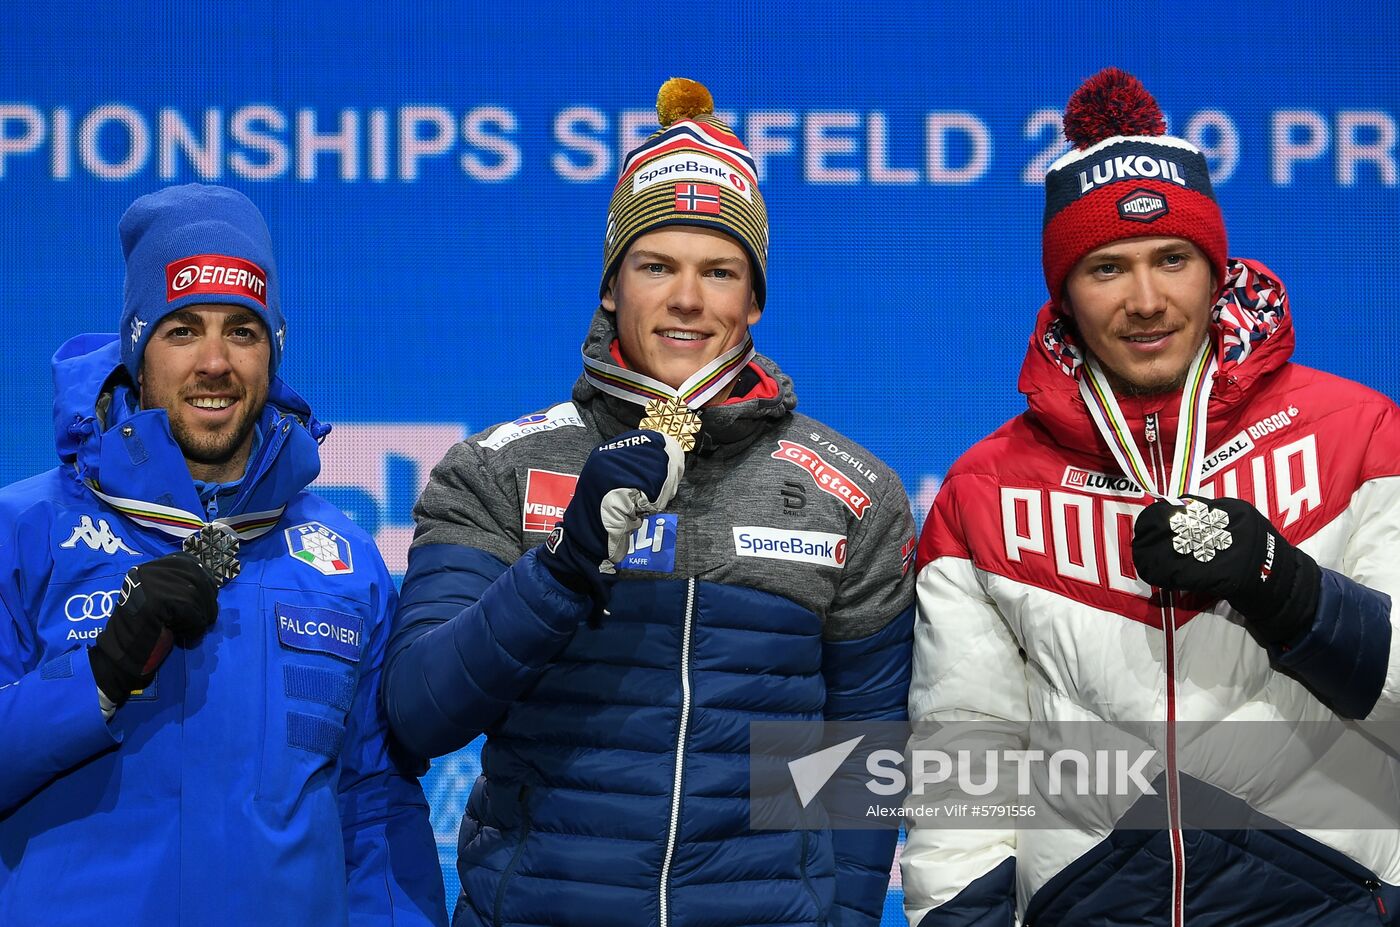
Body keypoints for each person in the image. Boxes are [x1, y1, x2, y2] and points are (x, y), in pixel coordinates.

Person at [384, 78, 917, 927]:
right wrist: (562, 569)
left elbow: (860, 768)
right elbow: (416, 711)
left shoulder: (850, 492)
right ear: (610, 285)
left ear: (753, 300)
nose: (686, 298)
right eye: (656, 264)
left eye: (720, 271)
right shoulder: (498, 469)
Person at [901, 68, 1400, 926]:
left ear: (1216, 272)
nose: (1145, 301)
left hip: (1330, 904)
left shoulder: (1360, 434)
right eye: (1106, 268)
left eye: (1172, 259)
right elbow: (965, 757)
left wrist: (1283, 582)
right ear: (1064, 294)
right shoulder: (983, 491)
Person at [0, 184, 446, 926]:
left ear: (273, 349)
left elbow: (375, 809)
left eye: (242, 330)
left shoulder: (345, 558)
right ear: (138, 352)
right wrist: (98, 679)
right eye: (182, 331)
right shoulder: (24, 529)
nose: (214, 362)